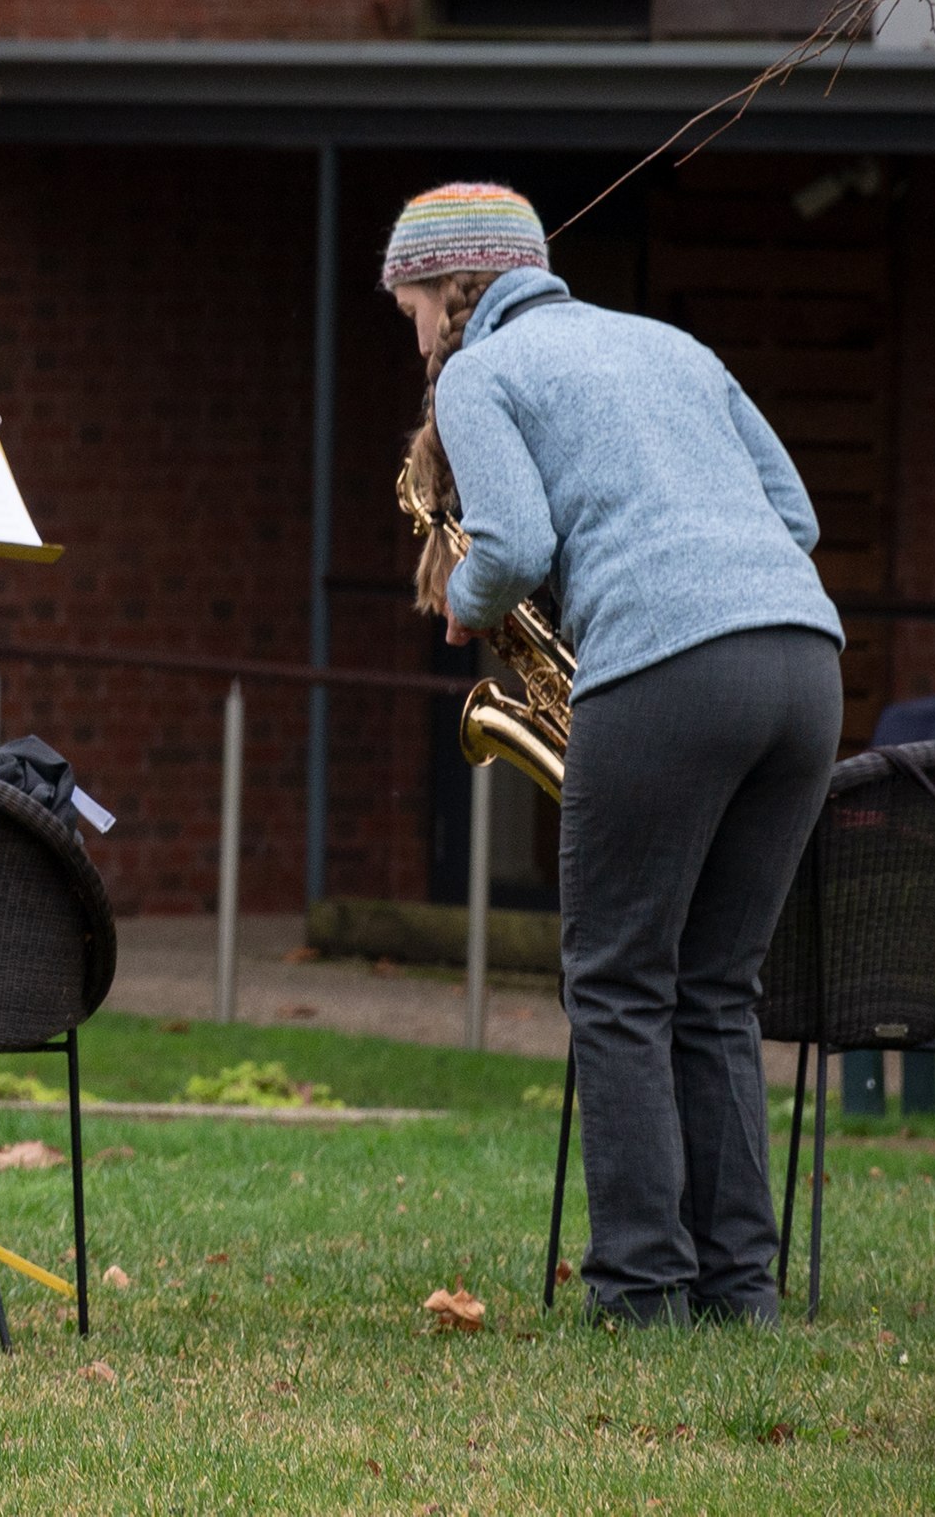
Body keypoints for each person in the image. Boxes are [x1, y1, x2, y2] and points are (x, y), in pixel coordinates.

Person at [385, 181, 844, 1329]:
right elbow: (795, 517)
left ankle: (640, 1289)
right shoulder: (670, 344)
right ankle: (740, 1289)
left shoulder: (484, 371)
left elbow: (518, 541)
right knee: (715, 985)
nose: (416, 339)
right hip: (805, 660)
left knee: (618, 980)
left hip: (667, 669)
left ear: (451, 290)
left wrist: (464, 601)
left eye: (409, 312)